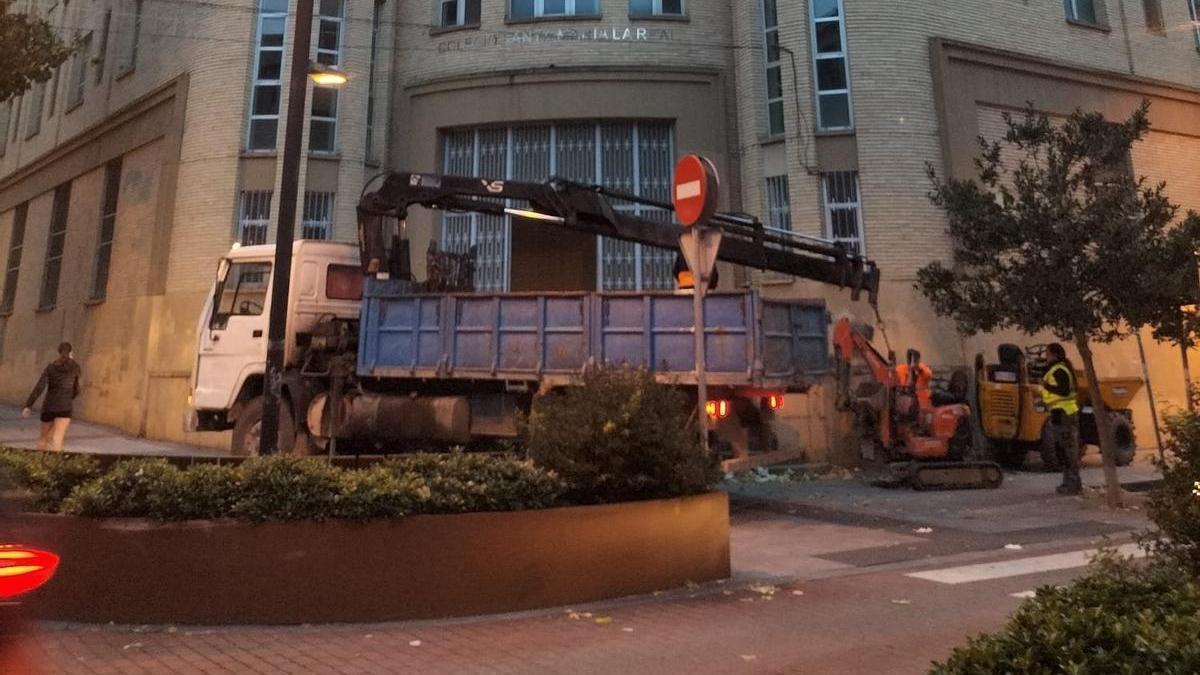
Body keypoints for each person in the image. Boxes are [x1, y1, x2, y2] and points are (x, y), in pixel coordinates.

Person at [20, 342, 81, 452]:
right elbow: (77, 389)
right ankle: (54, 465)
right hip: (65, 407)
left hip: (49, 406)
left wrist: (28, 405)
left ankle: (38, 463)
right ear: (71, 352)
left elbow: (40, 387)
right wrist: (68, 397)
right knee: (58, 437)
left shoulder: (50, 368)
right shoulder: (75, 368)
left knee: (43, 437)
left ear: (58, 352)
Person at [1041, 342, 1081, 495]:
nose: (1046, 356)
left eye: (1048, 353)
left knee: (1068, 450)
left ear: (1055, 354)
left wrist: (1046, 386)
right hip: (1059, 412)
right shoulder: (1056, 369)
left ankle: (1073, 484)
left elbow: (1063, 391)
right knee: (1062, 451)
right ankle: (1067, 483)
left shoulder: (1059, 370)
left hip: (1065, 413)